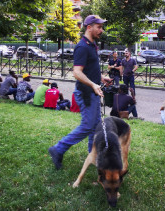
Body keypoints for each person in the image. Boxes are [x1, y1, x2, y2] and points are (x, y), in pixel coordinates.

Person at [48, 15, 111, 170]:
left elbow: (88, 69)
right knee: (88, 126)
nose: (101, 30)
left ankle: (93, 155)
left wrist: (101, 78)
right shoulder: (82, 47)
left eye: (102, 27)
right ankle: (58, 149)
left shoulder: (92, 45)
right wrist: (92, 84)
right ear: (89, 27)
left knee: (95, 126)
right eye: (98, 27)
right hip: (86, 93)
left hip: (93, 92)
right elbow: (77, 72)